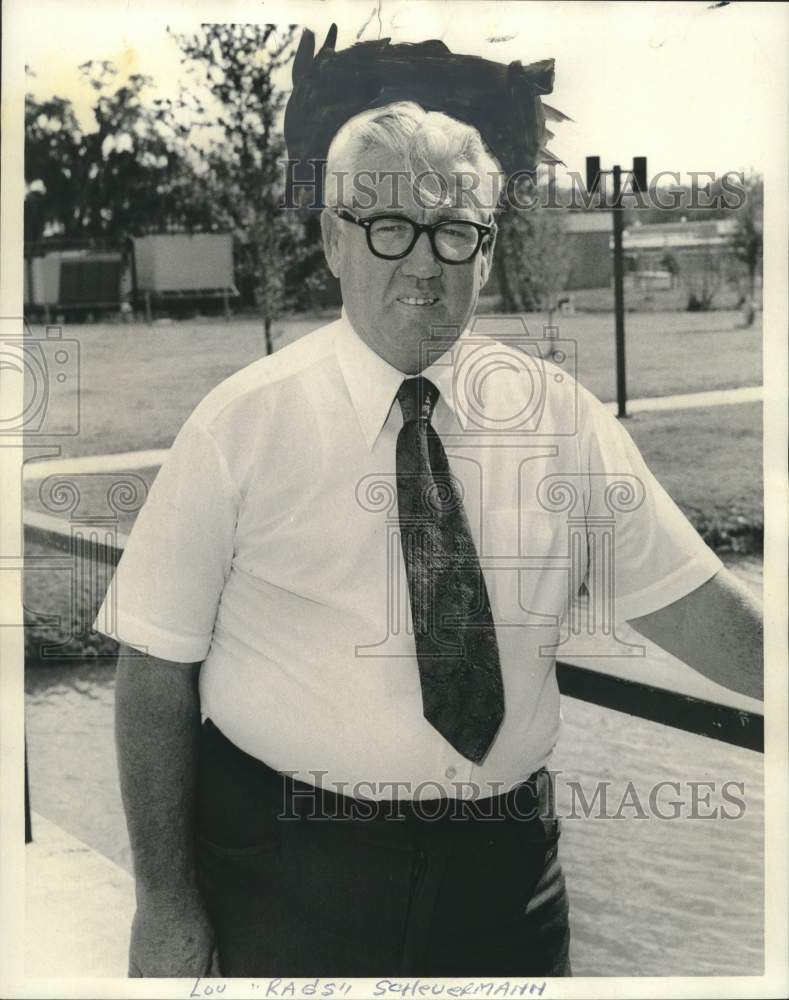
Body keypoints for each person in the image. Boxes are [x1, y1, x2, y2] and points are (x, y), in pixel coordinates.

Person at [96, 35, 763, 981]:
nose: (423, 263)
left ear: (484, 252)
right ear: (333, 240)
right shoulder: (239, 426)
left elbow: (691, 603)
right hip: (287, 875)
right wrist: (163, 901)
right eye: (386, 227)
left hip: (505, 886)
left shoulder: (558, 419)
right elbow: (152, 669)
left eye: (454, 232)